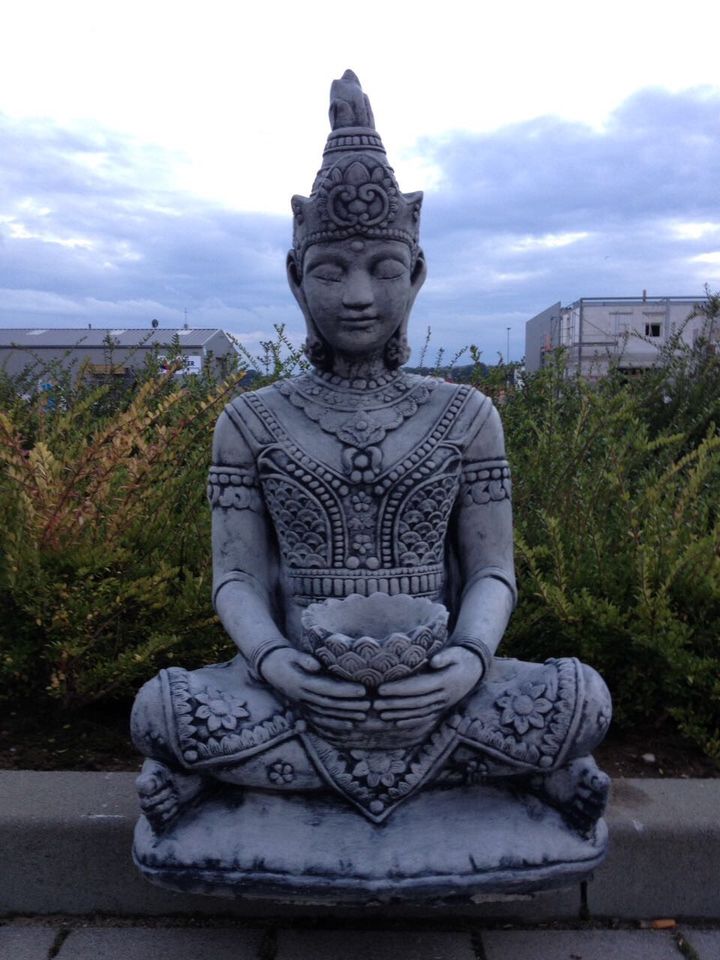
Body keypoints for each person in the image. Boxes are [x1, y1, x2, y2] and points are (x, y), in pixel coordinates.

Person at [132, 70, 611, 832]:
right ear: (297, 280)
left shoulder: (466, 413)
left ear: (416, 276)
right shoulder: (251, 420)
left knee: (580, 700)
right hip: (297, 685)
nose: (359, 294)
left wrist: (466, 663)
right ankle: (522, 771)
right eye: (331, 270)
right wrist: (278, 664)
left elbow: (491, 571)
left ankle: (238, 780)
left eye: (383, 269)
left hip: (438, 687)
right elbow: (235, 579)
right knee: (161, 710)